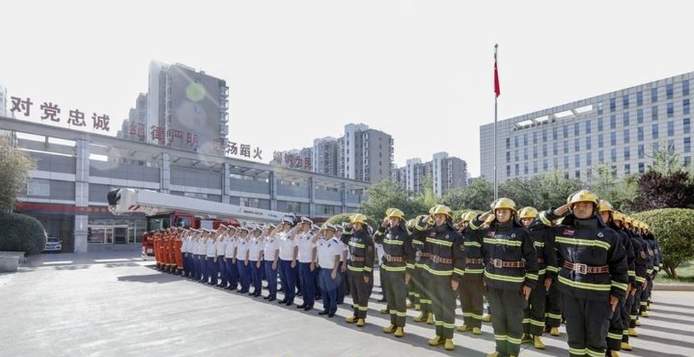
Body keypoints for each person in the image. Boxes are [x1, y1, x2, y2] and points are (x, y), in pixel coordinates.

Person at [532, 190, 628, 357]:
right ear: (571, 208)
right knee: (575, 337)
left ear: (594, 208)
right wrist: (555, 213)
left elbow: (620, 265)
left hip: (598, 294)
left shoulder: (609, 235)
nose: (581, 208)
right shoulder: (562, 231)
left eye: (586, 205)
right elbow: (533, 228)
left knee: (596, 338)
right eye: (577, 205)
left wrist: (618, 292)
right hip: (570, 292)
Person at [473, 198, 537, 357]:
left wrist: (529, 283)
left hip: (514, 285)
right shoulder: (487, 231)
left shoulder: (522, 233)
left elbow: (532, 259)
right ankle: (501, 350)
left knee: (514, 320)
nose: (501, 213)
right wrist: (488, 212)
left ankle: (513, 352)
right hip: (492, 284)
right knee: (498, 319)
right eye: (498, 211)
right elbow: (471, 228)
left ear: (512, 213)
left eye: (505, 211)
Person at [410, 204, 463, 351]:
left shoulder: (455, 235)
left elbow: (460, 259)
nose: (438, 219)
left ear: (447, 218)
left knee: (448, 308)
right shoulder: (430, 232)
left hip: (447, 278)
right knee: (437, 307)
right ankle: (439, 335)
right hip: (432, 276)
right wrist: (425, 219)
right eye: (436, 216)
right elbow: (415, 235)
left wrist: (456, 278)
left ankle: (449, 338)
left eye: (441, 216)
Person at [519, 206, 557, 350]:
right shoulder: (518, 233)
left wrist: (550, 276)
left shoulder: (545, 234)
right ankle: (525, 333)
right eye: (524, 219)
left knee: (538, 307)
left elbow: (551, 256)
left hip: (539, 277)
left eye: (529, 219)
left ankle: (536, 336)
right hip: (522, 276)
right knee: (523, 306)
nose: (527, 221)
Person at [373, 208, 414, 338]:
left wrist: (408, 274)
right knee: (391, 300)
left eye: (394, 219)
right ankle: (393, 323)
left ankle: (400, 326)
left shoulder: (405, 235)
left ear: (399, 221)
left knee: (400, 300)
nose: (392, 221)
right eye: (390, 219)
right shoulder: (387, 232)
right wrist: (382, 226)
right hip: (387, 270)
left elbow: (411, 257)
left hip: (399, 272)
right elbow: (376, 238)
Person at [341, 214, 375, 327]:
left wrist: (367, 273)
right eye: (354, 223)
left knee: (362, 295)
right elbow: (343, 239)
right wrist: (348, 227)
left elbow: (370, 257)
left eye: (357, 224)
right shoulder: (352, 235)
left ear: (362, 224)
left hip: (361, 271)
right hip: (352, 269)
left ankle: (362, 317)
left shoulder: (367, 238)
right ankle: (356, 315)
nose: (355, 225)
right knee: (354, 294)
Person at [457, 210, 485, 335]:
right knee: (464, 298)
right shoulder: (459, 235)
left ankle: (477, 325)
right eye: (465, 222)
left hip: (477, 271)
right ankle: (467, 323)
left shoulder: (481, 235)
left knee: (476, 298)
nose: (467, 225)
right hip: (462, 272)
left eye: (470, 223)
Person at [316, 223, 343, 318]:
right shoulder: (321, 241)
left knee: (331, 291)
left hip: (330, 269)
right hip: (322, 268)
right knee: (323, 290)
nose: (325, 232)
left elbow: (337, 258)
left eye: (327, 231)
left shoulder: (335, 243)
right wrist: (317, 261)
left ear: (332, 232)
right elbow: (313, 243)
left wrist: (335, 270)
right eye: (325, 230)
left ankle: (332, 309)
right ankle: (326, 308)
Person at [296, 217, 318, 311]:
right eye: (302, 224)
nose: (303, 226)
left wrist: (313, 262)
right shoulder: (301, 235)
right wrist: (297, 228)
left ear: (309, 225)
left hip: (309, 262)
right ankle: (305, 302)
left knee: (309, 284)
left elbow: (314, 249)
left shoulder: (312, 235)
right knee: (303, 284)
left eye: (304, 224)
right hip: (301, 261)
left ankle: (310, 303)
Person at [278, 216, 299, 306]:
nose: (285, 225)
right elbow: (271, 234)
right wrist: (278, 227)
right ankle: (286, 297)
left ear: (290, 225)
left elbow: (296, 247)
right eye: (284, 224)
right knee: (284, 280)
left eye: (286, 224)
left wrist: (294, 260)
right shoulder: (282, 234)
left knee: (290, 281)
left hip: (290, 260)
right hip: (282, 259)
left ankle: (291, 298)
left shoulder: (293, 234)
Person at [263, 224, 280, 301]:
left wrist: (275, 262)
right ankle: (270, 293)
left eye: (270, 229)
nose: (268, 230)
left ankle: (273, 295)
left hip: (272, 261)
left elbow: (277, 251)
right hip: (266, 260)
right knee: (269, 279)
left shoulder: (276, 238)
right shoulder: (267, 238)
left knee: (273, 279)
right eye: (268, 229)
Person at [248, 226, 265, 297]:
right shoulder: (252, 239)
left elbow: (261, 251)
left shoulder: (261, 240)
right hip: (252, 260)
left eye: (257, 231)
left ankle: (258, 291)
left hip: (258, 261)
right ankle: (255, 290)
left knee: (258, 277)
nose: (255, 232)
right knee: (254, 277)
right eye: (255, 231)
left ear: (260, 233)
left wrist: (258, 261)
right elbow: (248, 237)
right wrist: (251, 231)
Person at [236, 228, 252, 293]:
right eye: (242, 232)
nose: (243, 233)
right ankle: (243, 287)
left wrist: (246, 259)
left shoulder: (248, 240)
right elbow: (237, 248)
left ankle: (246, 288)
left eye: (245, 232)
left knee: (245, 275)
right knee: (241, 275)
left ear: (247, 233)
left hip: (244, 260)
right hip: (239, 259)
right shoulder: (239, 240)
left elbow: (248, 250)